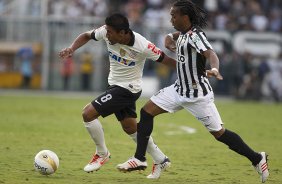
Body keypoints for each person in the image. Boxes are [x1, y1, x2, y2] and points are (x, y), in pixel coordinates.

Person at [117, 0, 269, 183]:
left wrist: (215, 69)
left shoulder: (195, 36)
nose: (171, 18)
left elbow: (211, 53)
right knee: (146, 111)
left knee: (219, 134)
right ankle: (141, 158)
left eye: (174, 15)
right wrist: (168, 37)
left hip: (197, 95)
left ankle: (257, 158)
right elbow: (175, 35)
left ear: (185, 17)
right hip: (178, 89)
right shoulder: (182, 33)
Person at [59, 13, 176, 179]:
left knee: (88, 114)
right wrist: (71, 48)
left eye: (110, 32)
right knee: (130, 128)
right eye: (106, 30)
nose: (106, 34)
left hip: (128, 89)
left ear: (122, 33)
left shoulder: (143, 45)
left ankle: (102, 154)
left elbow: (167, 61)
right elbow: (86, 35)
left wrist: (193, 72)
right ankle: (161, 159)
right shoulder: (106, 33)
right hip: (114, 86)